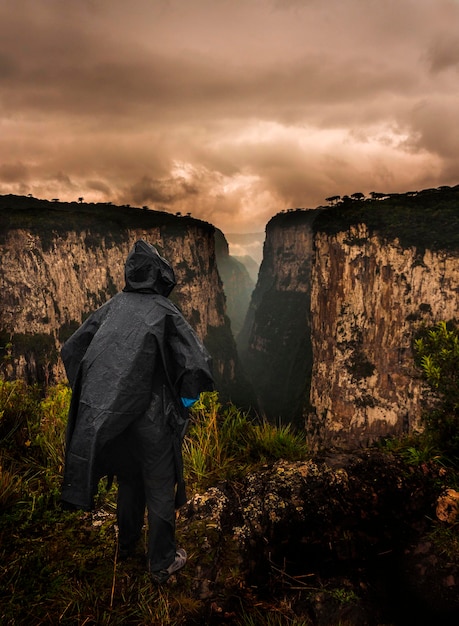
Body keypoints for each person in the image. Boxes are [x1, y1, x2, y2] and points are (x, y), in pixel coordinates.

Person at [61, 239, 214, 583]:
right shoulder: (164, 310)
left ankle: (127, 545)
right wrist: (186, 402)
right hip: (154, 417)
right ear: (160, 275)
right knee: (159, 484)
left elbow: (72, 349)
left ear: (131, 274)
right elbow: (198, 364)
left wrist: (99, 394)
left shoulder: (112, 307)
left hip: (118, 417)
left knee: (129, 479)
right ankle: (161, 562)